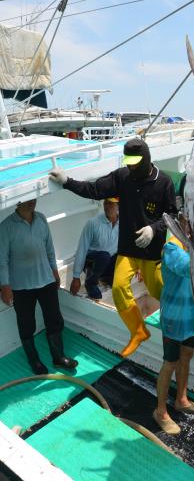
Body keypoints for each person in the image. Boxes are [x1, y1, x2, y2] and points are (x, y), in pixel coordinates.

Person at [49, 137, 177, 358]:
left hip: (151, 251)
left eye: (134, 163)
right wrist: (67, 181)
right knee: (118, 287)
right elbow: (94, 189)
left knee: (159, 291)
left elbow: (172, 215)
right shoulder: (122, 176)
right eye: (128, 162)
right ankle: (138, 331)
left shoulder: (163, 182)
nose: (130, 166)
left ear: (145, 160)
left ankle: (179, 320)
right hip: (127, 250)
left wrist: (152, 230)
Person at [0, 199, 78, 374]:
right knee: (26, 323)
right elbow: (2, 260)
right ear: (17, 202)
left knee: (54, 318)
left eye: (34, 198)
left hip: (46, 279)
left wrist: (55, 271)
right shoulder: (5, 227)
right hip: (21, 286)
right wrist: (4, 285)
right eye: (27, 200)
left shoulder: (41, 219)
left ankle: (58, 357)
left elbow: (49, 248)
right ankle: (34, 360)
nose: (32, 202)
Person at [153, 234, 194, 435]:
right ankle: (160, 411)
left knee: (186, 357)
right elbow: (189, 268)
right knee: (170, 362)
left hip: (192, 315)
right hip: (174, 317)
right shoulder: (171, 248)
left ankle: (181, 399)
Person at [70, 197, 119, 300]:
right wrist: (76, 277)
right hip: (91, 262)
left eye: (111, 204)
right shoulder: (93, 223)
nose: (106, 206)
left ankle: (106, 278)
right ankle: (90, 282)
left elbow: (128, 247)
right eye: (105, 203)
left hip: (107, 261)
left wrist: (137, 266)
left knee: (119, 256)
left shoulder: (123, 223)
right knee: (104, 256)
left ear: (118, 206)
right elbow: (81, 249)